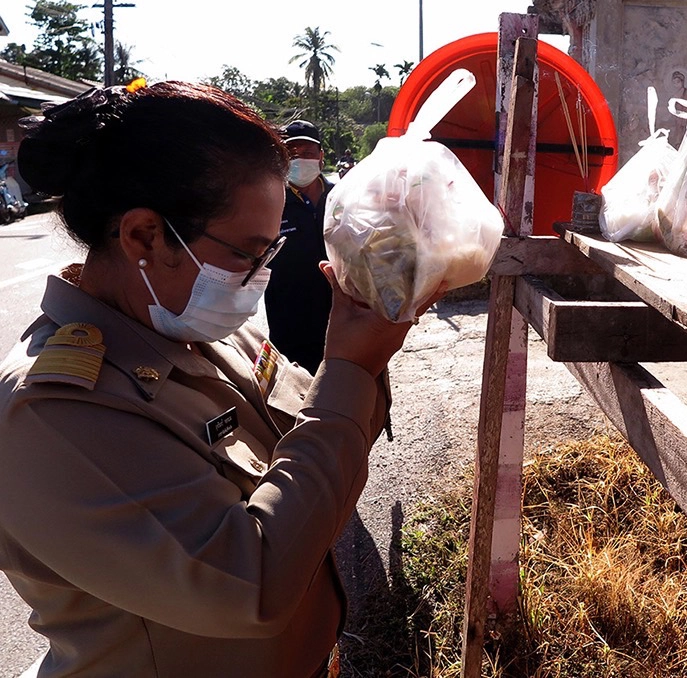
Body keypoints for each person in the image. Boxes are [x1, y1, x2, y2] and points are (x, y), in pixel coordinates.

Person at [0, 82, 436, 677]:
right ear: (144, 236)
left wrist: (368, 342)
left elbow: (322, 442)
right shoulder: (53, 412)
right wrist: (351, 369)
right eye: (247, 251)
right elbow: (251, 587)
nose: (259, 275)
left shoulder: (207, 334)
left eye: (270, 250)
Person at [264, 119, 334, 374]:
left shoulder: (342, 197)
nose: (300, 160)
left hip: (343, 318)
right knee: (301, 397)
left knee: (358, 389)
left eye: (308, 153)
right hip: (291, 325)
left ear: (321, 156)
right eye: (292, 154)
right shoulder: (268, 203)